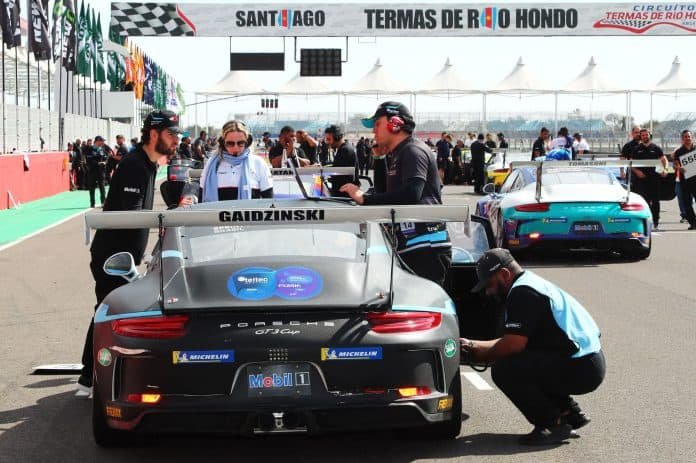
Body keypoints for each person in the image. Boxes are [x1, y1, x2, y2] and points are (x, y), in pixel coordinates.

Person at [76, 110, 182, 397]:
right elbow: (132, 215)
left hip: (122, 256)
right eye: (172, 134)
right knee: (109, 313)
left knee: (106, 311)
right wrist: (167, 219)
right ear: (153, 134)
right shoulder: (135, 165)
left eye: (178, 135)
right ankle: (89, 380)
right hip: (113, 258)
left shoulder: (147, 164)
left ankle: (87, 378)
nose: (177, 140)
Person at [462, 248, 605, 445]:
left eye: (490, 284)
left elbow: (513, 345)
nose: (488, 292)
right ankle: (569, 412)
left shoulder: (523, 293)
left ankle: (551, 424)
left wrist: (481, 355)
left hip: (582, 368)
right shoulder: (531, 283)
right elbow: (514, 339)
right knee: (528, 360)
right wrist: (473, 344)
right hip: (587, 360)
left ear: (504, 274)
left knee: (505, 369)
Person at [339, 101, 451, 287]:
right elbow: (386, 193)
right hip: (413, 243)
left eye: (377, 124)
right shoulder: (400, 152)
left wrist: (365, 198)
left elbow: (411, 195)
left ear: (395, 124)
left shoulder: (412, 150)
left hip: (425, 246)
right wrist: (379, 158)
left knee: (420, 308)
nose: (373, 131)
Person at [198, 120, 273, 203]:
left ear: (247, 142)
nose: (236, 148)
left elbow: (269, 202)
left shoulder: (258, 163)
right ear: (223, 143)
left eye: (241, 143)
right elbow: (201, 197)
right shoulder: (211, 163)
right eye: (230, 143)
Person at [626, 129, 668, 230]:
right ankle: (645, 222)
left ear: (650, 135)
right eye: (643, 135)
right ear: (641, 137)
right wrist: (637, 172)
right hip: (641, 180)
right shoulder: (636, 149)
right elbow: (630, 164)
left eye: (646, 135)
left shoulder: (656, 148)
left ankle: (656, 222)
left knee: (655, 201)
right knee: (644, 202)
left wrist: (665, 169)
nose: (645, 136)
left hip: (654, 179)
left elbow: (664, 159)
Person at [324, 124, 359, 196]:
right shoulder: (344, 148)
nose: (327, 142)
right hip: (342, 192)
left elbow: (338, 176)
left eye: (329, 139)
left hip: (342, 195)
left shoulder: (345, 150)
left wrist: (322, 173)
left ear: (337, 137)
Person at [671, 129, 696, 230]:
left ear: (692, 137)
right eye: (685, 137)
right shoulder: (679, 151)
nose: (687, 138)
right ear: (682, 139)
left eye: (689, 136)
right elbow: (675, 164)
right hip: (684, 180)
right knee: (687, 203)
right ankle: (693, 223)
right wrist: (678, 168)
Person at [85, 136, 108, 208]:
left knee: (102, 187)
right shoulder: (90, 149)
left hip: (101, 171)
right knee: (92, 187)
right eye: (102, 141)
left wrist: (105, 162)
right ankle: (92, 203)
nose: (103, 142)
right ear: (97, 141)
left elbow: (106, 157)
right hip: (92, 171)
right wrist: (97, 163)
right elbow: (88, 160)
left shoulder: (102, 149)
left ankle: (103, 202)